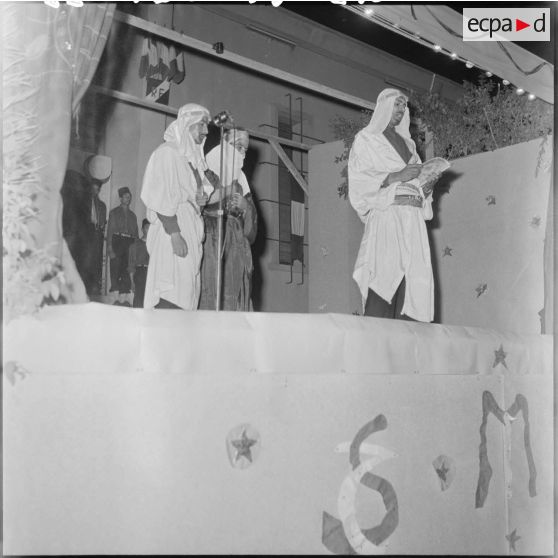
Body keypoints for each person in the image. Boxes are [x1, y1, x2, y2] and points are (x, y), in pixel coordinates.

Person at [348, 88, 439, 322]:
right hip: (388, 215)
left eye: (403, 106)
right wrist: (396, 176)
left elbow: (418, 185)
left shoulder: (409, 147)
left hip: (413, 219)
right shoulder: (367, 139)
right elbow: (359, 181)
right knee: (385, 274)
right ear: (384, 107)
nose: (400, 110)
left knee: (414, 280)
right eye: (396, 105)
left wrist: (427, 186)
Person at [140, 103, 213, 310]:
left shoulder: (189, 159)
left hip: (188, 226)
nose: (206, 131)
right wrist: (175, 234)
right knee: (172, 291)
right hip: (173, 230)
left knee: (186, 294)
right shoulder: (167, 153)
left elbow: (186, 192)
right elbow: (160, 195)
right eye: (201, 125)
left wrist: (198, 201)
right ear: (187, 125)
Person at [199, 128, 257, 311]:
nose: (242, 154)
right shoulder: (207, 168)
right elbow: (199, 201)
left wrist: (245, 207)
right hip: (212, 239)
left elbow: (253, 221)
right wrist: (226, 192)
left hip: (236, 242)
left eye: (245, 150)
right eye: (238, 147)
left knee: (235, 295)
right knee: (212, 290)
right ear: (225, 144)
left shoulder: (242, 179)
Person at [107, 187, 139, 302]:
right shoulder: (114, 212)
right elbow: (110, 230)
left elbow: (135, 234)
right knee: (115, 267)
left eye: (129, 197)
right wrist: (110, 247)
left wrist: (136, 249)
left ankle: (124, 297)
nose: (128, 198)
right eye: (126, 196)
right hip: (117, 241)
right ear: (121, 198)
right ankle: (114, 295)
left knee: (127, 268)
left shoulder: (133, 216)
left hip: (129, 243)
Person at [84, 179, 107, 295]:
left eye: (97, 189)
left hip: (97, 235)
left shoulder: (102, 205)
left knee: (97, 261)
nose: (95, 191)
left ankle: (95, 288)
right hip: (86, 235)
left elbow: (103, 221)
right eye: (93, 188)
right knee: (86, 261)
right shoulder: (83, 203)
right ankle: (86, 287)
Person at [128, 218, 150, 308]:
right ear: (142, 229)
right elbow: (131, 265)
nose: (149, 230)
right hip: (140, 273)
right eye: (147, 228)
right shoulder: (135, 245)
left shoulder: (155, 246)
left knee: (150, 301)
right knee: (138, 301)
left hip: (151, 273)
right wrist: (132, 282)